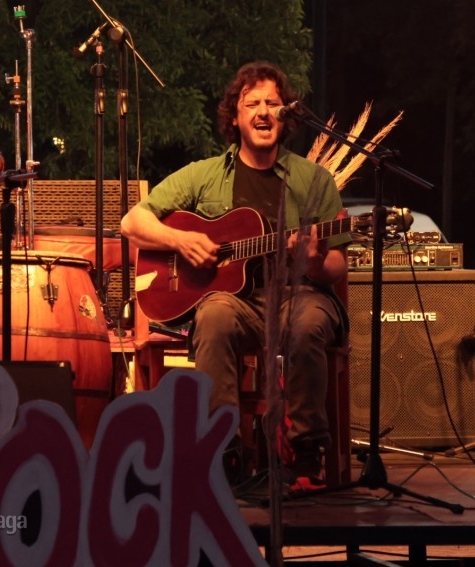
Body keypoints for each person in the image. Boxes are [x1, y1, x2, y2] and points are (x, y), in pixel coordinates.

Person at [120, 61, 350, 490]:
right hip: (237, 302)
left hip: (297, 294)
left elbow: (337, 266)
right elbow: (132, 223)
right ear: (236, 116)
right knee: (213, 317)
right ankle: (223, 451)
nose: (264, 112)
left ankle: (304, 453)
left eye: (274, 104)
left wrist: (314, 259)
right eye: (253, 103)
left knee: (307, 322)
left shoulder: (313, 179)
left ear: (288, 115)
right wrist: (181, 241)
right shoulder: (204, 175)